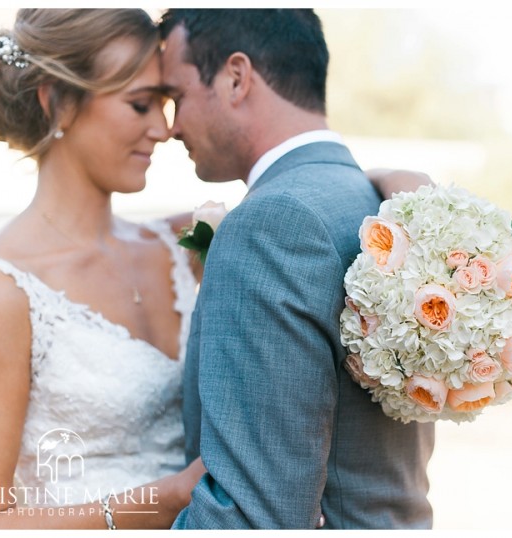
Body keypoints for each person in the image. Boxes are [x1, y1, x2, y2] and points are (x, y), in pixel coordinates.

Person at [160, 9, 435, 529]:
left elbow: (254, 513)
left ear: (235, 78)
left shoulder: (272, 222)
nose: (172, 126)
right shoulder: (377, 203)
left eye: (178, 95)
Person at [0, 8, 206, 529]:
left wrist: (389, 181)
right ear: (58, 102)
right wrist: (166, 498)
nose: (163, 128)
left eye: (165, 103)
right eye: (140, 105)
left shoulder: (183, 243)